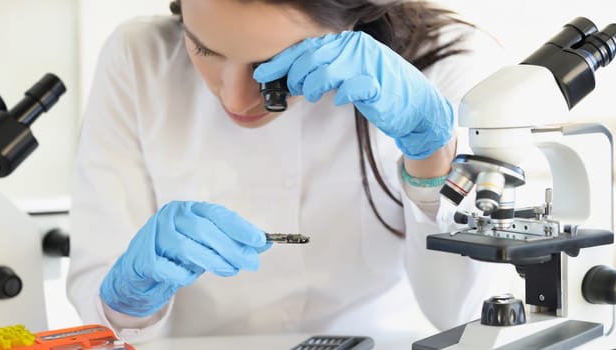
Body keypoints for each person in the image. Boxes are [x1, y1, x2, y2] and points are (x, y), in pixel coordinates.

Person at [67, 0, 518, 344]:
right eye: (203, 49)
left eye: (274, 66)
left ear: (351, 22)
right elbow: (101, 318)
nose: (235, 99)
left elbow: (466, 314)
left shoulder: (451, 68)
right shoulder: (138, 58)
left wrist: (432, 155)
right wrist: (127, 300)